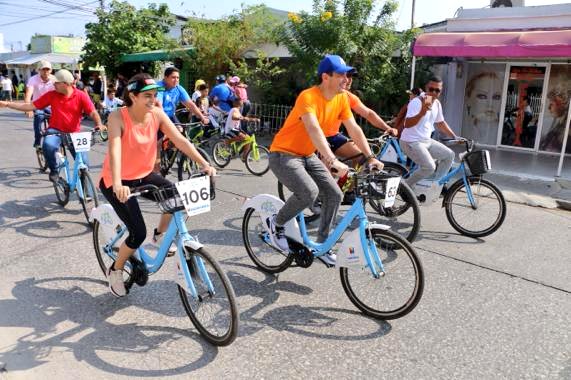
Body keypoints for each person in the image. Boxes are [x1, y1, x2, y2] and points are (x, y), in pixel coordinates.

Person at [99, 73, 215, 297]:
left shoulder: (157, 114)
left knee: (177, 198)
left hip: (144, 175)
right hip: (118, 180)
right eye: (147, 96)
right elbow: (114, 149)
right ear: (132, 96)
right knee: (137, 233)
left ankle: (160, 234)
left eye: (155, 95)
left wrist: (205, 164)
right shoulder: (117, 117)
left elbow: (181, 141)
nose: (153, 100)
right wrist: (117, 184)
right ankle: (115, 269)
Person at [268, 54, 382, 265]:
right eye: (341, 75)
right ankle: (277, 222)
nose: (346, 79)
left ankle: (323, 244)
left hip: (307, 155)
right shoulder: (308, 97)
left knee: (335, 194)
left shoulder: (341, 98)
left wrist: (370, 157)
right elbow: (313, 128)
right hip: (283, 154)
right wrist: (331, 160)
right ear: (325, 77)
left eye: (347, 75)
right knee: (309, 192)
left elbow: (354, 129)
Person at [0, 69, 104, 182]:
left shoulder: (81, 95)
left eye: (56, 82)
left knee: (84, 163)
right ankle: (54, 170)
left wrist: (99, 124)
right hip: (55, 131)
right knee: (48, 145)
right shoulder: (52, 95)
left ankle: (85, 188)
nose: (53, 84)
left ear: (65, 84)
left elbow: (93, 112)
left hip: (74, 133)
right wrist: (7, 104)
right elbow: (30, 106)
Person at [324, 69, 398, 164]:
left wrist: (387, 128)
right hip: (315, 138)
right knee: (326, 171)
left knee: (362, 157)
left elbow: (368, 114)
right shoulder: (321, 95)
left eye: (350, 77)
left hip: (333, 136)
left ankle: (353, 179)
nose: (349, 80)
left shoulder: (348, 97)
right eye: (345, 76)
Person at [400, 76, 457, 189]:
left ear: (441, 91)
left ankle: (433, 185)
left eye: (437, 90)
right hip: (411, 142)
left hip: (426, 141)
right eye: (431, 89)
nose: (434, 93)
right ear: (426, 88)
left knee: (449, 155)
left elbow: (440, 123)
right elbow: (407, 124)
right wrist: (422, 112)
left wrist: (454, 136)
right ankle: (405, 186)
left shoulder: (436, 104)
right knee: (429, 167)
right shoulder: (416, 102)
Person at [463, 71, 503, 145]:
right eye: (482, 96)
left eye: (496, 97)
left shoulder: (500, 134)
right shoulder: (464, 129)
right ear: (468, 99)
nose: (490, 104)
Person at [25, 61, 56, 148]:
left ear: (51, 70)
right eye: (43, 69)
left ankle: (55, 139)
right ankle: (37, 140)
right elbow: (28, 94)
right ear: (39, 70)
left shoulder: (55, 79)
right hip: (38, 105)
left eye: (48, 69)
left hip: (51, 106)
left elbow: (60, 93)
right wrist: (28, 108)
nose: (45, 71)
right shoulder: (33, 79)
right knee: (38, 116)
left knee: (56, 125)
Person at [539, 83, 571, 154]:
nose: (549, 108)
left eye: (552, 104)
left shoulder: (566, 128)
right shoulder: (558, 122)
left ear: (562, 105)